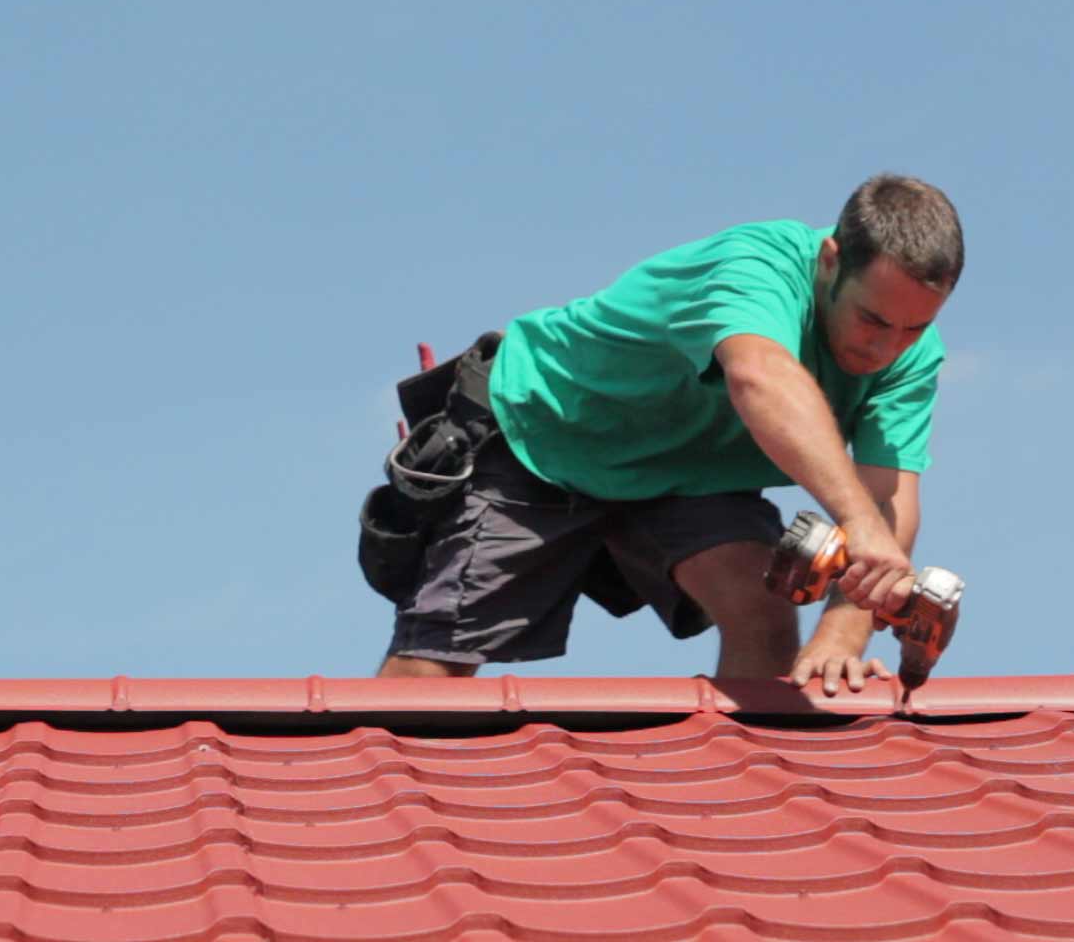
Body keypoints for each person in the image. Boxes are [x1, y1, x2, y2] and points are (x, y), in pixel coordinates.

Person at [373, 174, 963, 694]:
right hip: (548, 437)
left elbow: (887, 500)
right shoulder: (754, 267)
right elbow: (759, 377)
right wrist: (856, 524)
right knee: (436, 669)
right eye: (872, 319)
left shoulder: (910, 358)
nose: (887, 347)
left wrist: (842, 636)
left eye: (915, 327)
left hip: (685, 476)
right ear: (831, 260)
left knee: (762, 610)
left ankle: (740, 804)